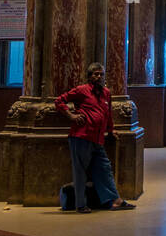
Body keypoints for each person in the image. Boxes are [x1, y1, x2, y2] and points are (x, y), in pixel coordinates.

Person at [55, 62, 136, 213]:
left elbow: (108, 114)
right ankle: (80, 204)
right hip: (81, 137)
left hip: (98, 139)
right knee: (80, 172)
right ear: (89, 76)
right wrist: (71, 116)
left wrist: (111, 130)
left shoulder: (106, 93)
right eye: (95, 74)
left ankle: (115, 200)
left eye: (101, 74)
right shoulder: (81, 90)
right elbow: (59, 101)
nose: (98, 77)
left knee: (104, 169)